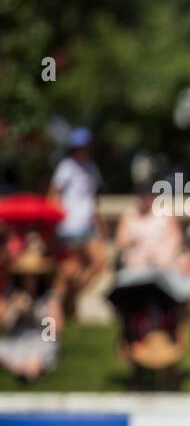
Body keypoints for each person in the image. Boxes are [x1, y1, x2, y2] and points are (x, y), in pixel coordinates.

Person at [48, 127, 106, 317]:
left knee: (99, 262)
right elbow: (53, 195)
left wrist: (100, 224)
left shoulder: (92, 168)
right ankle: (56, 308)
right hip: (69, 227)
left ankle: (70, 298)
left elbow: (92, 200)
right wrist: (54, 221)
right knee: (70, 269)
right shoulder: (66, 167)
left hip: (87, 226)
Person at [0, 237, 61, 381]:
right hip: (17, 341)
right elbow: (3, 324)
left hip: (40, 340)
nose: (30, 280)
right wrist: (14, 308)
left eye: (33, 276)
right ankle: (26, 370)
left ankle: (29, 370)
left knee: (44, 349)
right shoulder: (11, 294)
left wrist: (36, 312)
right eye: (26, 276)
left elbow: (53, 332)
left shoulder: (48, 296)